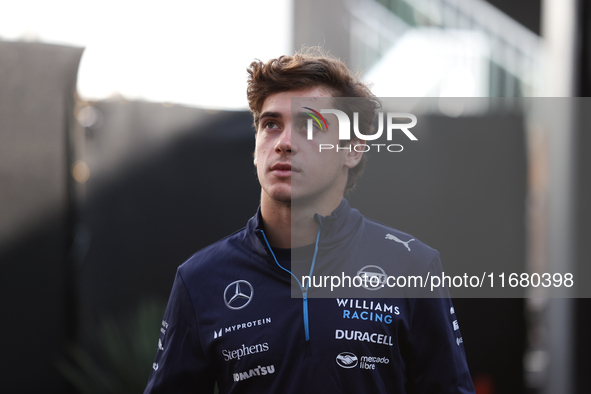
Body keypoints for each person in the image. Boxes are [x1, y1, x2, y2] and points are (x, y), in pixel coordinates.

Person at [144, 50, 475, 393]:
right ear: (256, 147)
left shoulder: (412, 266)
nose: (285, 143)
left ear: (352, 149)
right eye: (271, 125)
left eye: (311, 125)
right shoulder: (200, 279)